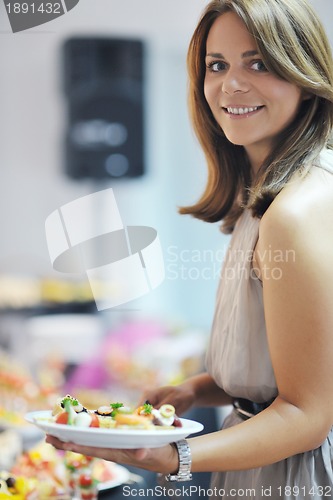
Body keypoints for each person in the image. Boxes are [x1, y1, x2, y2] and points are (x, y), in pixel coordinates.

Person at [46, 0, 333, 498]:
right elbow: (291, 363)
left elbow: (308, 414)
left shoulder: (293, 213)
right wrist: (196, 389)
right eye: (216, 65)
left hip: (293, 476)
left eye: (258, 63)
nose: (231, 84)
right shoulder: (270, 198)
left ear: (305, 77)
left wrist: (175, 456)